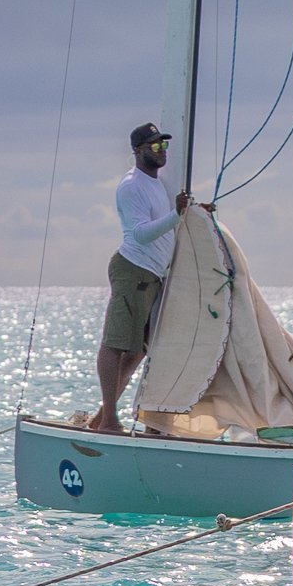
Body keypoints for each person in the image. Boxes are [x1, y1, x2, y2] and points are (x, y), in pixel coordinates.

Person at [90, 122, 204, 433]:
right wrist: (176, 214)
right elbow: (140, 234)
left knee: (140, 349)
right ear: (138, 151)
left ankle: (102, 416)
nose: (161, 151)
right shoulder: (131, 186)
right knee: (115, 345)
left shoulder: (158, 184)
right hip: (133, 268)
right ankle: (109, 421)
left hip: (153, 275)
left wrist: (192, 212)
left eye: (163, 145)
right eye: (154, 146)